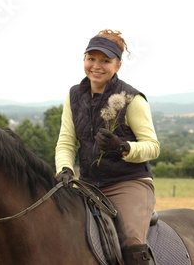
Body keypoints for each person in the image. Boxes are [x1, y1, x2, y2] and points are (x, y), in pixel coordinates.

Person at [55, 29, 160, 265]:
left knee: (132, 241)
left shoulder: (132, 99)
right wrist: (65, 169)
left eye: (105, 60)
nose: (96, 66)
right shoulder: (73, 96)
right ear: (84, 60)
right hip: (88, 185)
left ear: (118, 65)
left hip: (129, 182)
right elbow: (66, 141)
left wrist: (123, 148)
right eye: (91, 59)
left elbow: (153, 147)